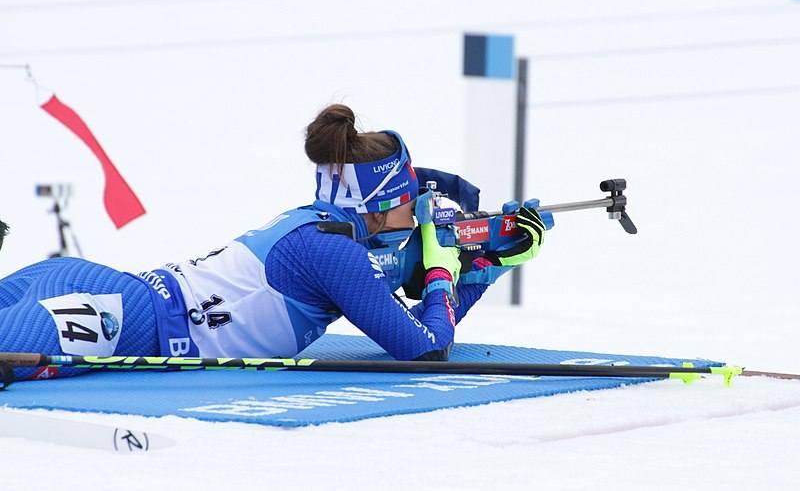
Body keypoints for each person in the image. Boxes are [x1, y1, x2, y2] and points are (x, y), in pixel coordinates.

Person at [0, 104, 544, 381]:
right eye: (412, 200)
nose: (420, 211)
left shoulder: (320, 227)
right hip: (124, 318)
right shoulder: (334, 252)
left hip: (99, 288)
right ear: (378, 203)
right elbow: (425, 347)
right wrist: (449, 269)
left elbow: (424, 323)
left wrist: (487, 261)